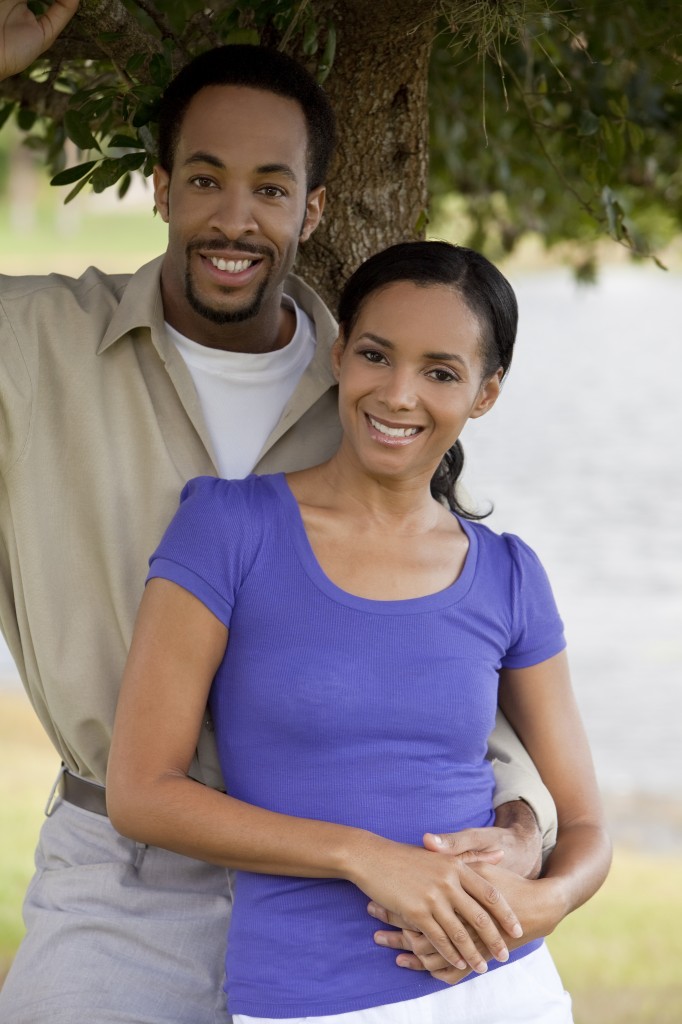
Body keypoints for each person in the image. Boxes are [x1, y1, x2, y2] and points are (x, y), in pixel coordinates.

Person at [0, 2, 562, 1021]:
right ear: (160, 188)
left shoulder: (373, 383)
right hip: (124, 879)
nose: (234, 218)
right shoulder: (32, 347)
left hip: (364, 901)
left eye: (270, 187)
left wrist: (523, 817)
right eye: (205, 179)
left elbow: (457, 624)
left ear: (310, 211)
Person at [106, 240, 612, 1023]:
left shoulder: (509, 573)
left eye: (441, 372)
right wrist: (364, 857)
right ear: (340, 352)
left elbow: (585, 826)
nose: (399, 394)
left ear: (485, 394)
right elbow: (142, 794)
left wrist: (544, 905)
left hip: (506, 985)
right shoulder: (230, 527)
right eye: (377, 355)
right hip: (310, 995)